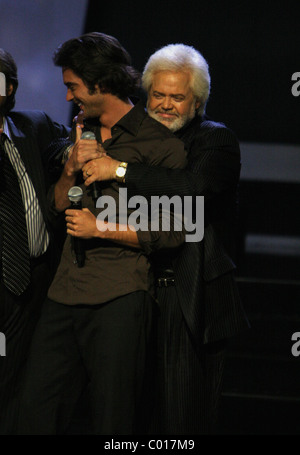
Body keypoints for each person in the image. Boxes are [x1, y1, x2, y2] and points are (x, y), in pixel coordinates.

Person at [17, 33, 186, 435]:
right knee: (33, 412)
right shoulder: (80, 132)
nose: (68, 97)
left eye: (73, 87)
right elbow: (57, 206)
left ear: (102, 84)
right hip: (63, 293)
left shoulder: (161, 146)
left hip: (119, 298)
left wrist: (101, 228)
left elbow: (175, 232)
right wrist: (71, 168)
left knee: (114, 418)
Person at [80, 43, 250, 434]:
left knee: (180, 418)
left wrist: (118, 170)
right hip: (131, 289)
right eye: (159, 94)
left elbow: (194, 187)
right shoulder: (133, 136)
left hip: (186, 297)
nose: (166, 104)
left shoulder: (214, 140)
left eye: (178, 97)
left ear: (197, 102)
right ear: (146, 93)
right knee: (129, 414)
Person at [0, 49, 69, 435]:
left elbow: (69, 144)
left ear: (10, 90)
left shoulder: (35, 125)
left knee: (29, 392)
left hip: (38, 281)